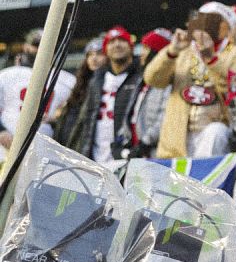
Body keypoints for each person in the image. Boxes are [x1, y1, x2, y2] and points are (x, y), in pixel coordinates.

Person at [146, 2, 236, 158]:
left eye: (215, 21)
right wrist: (172, 51)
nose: (206, 25)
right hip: (177, 137)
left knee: (216, 132)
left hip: (214, 132)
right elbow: (153, 79)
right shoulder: (182, 51)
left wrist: (212, 60)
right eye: (203, 19)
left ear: (227, 29)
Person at [56, 26, 145, 161]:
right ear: (107, 50)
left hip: (127, 157)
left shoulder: (141, 77)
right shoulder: (96, 81)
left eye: (122, 40)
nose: (117, 44)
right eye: (112, 41)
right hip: (95, 158)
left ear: (131, 46)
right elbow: (83, 123)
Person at [0, 29, 75, 161]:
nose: (42, 48)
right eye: (36, 44)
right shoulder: (7, 75)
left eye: (47, 43)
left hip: (46, 153)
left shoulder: (67, 80)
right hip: (5, 149)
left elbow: (74, 118)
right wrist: (1, 131)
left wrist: (56, 120)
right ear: (26, 46)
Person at [128, 28, 174, 158]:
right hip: (137, 151)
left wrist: (145, 142)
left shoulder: (167, 83)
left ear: (157, 53)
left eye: (146, 49)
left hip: (155, 154)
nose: (141, 54)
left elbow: (164, 118)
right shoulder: (141, 81)